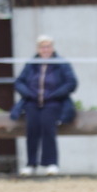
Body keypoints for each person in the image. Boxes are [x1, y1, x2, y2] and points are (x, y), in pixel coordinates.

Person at [13, 35, 77, 176]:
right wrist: (28, 94)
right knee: (32, 131)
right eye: (42, 47)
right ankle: (31, 164)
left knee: (48, 130)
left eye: (48, 46)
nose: (45, 50)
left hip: (53, 103)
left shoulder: (61, 63)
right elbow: (19, 82)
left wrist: (55, 94)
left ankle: (51, 163)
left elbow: (71, 83)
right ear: (38, 49)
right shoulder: (31, 64)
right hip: (32, 103)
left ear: (52, 48)